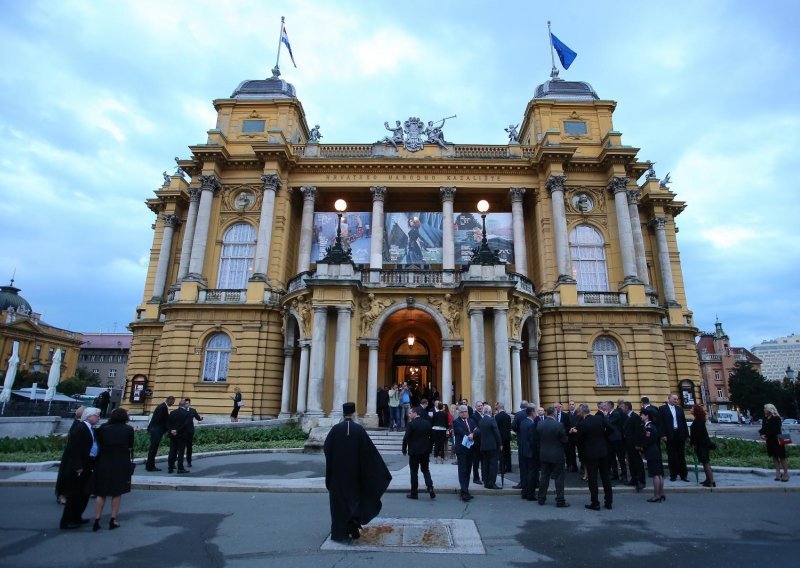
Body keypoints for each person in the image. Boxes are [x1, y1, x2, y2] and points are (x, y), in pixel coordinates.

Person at [324, 402, 392, 543]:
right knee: (353, 502)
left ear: (343, 414)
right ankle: (353, 529)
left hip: (338, 476)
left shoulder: (335, 430)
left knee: (339, 505)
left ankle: (338, 533)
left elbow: (327, 448)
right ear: (354, 414)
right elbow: (369, 452)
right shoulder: (359, 430)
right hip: (354, 476)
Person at [90, 407, 135, 531]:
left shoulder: (103, 428)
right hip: (120, 463)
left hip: (104, 462)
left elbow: (97, 444)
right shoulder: (128, 429)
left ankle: (97, 520)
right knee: (117, 492)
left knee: (101, 493)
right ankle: (113, 519)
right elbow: (130, 445)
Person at [60, 407, 101, 529]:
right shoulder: (80, 428)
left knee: (83, 494)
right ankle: (67, 521)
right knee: (75, 494)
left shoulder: (89, 428)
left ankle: (77, 517)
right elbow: (73, 449)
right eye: (96, 416)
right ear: (88, 416)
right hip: (80, 467)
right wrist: (77, 466)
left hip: (88, 464)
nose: (98, 418)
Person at [572, 403, 612, 511]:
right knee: (605, 477)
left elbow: (578, 440)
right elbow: (611, 428)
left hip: (590, 454)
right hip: (603, 452)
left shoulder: (582, 424)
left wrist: (573, 433)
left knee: (593, 479)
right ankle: (609, 502)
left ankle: (595, 503)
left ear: (581, 412)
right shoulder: (599, 419)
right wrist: (604, 437)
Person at [537, 406, 570, 508]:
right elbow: (564, 440)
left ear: (547, 413)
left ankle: (541, 498)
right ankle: (560, 500)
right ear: (554, 414)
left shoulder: (540, 424)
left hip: (544, 454)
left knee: (544, 477)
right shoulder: (559, 425)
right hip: (557, 455)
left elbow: (538, 438)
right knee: (559, 478)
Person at [402, 406, 436, 500]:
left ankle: (414, 493)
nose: (409, 415)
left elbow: (406, 438)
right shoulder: (427, 423)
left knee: (414, 472)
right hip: (425, 451)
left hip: (414, 451)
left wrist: (404, 449)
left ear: (415, 413)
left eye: (410, 413)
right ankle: (430, 487)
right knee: (425, 470)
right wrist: (429, 448)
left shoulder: (411, 424)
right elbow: (432, 438)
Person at [56, 405, 85, 505]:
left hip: (73, 455)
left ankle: (67, 494)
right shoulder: (79, 425)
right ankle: (62, 495)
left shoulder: (78, 424)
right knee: (68, 475)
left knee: (71, 476)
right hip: (73, 456)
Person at [658, 393, 690, 482]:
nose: (676, 400)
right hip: (669, 435)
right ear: (669, 399)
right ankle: (673, 474)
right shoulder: (662, 409)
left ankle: (683, 475)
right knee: (672, 456)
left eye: (677, 399)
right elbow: (660, 423)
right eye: (674, 399)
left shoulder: (679, 409)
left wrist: (687, 435)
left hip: (679, 434)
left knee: (681, 455)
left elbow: (684, 422)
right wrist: (663, 435)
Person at [640, 407, 665, 502]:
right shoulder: (652, 426)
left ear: (647, 416)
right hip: (655, 451)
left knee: (655, 475)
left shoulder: (649, 427)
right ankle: (661, 493)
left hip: (651, 452)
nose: (641, 416)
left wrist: (641, 447)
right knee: (659, 474)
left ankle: (656, 495)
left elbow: (647, 441)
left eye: (642, 415)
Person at [452, 405, 477, 501]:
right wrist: (469, 434)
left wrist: (473, 434)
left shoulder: (471, 421)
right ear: (459, 413)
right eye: (462, 412)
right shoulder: (456, 421)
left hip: (470, 449)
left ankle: (465, 489)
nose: (464, 413)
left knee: (468, 470)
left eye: (465, 411)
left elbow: (476, 429)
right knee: (462, 470)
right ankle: (464, 492)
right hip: (461, 450)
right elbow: (460, 431)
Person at [759, 403, 790, 482]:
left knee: (782, 457)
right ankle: (778, 473)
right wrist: (761, 434)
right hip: (770, 440)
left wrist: (766, 435)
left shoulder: (777, 418)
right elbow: (763, 428)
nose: (764, 410)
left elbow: (775, 429)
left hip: (778, 439)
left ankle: (786, 474)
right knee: (774, 457)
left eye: (765, 408)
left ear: (769, 409)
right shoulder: (765, 418)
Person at [688, 404, 716, 487]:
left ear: (696, 410)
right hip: (702, 444)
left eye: (692, 408)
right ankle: (708, 479)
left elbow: (697, 435)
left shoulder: (698, 421)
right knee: (705, 463)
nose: (690, 409)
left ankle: (711, 481)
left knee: (706, 462)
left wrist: (692, 442)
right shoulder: (699, 420)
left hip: (701, 445)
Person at [146, 395, 174, 471]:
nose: (172, 404)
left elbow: (154, 418)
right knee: (153, 449)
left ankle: (149, 465)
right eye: (173, 402)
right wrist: (170, 429)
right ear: (169, 400)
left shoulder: (161, 406)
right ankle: (150, 466)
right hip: (157, 430)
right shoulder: (163, 407)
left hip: (154, 429)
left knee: (153, 448)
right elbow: (164, 421)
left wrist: (149, 428)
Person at [622, 401, 646, 491]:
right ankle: (634, 479)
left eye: (623, 407)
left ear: (627, 408)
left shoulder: (635, 417)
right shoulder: (627, 417)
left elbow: (638, 432)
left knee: (638, 463)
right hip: (628, 444)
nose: (622, 408)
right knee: (631, 463)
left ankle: (641, 481)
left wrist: (638, 445)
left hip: (634, 445)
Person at [476, 405, 502, 489]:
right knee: (493, 465)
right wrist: (500, 444)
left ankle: (486, 482)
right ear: (490, 412)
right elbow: (497, 433)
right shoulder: (492, 420)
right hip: (492, 446)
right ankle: (492, 483)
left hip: (483, 446)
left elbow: (479, 433)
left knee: (485, 464)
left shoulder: (481, 421)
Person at [518, 405, 539, 500]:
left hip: (523, 451)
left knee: (525, 473)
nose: (537, 414)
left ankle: (524, 492)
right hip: (531, 453)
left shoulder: (522, 422)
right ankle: (530, 494)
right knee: (531, 474)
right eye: (536, 412)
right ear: (532, 413)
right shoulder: (532, 424)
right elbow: (533, 440)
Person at [167, 399, 192, 474]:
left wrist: (172, 430)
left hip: (173, 435)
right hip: (182, 435)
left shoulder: (172, 412)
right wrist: (177, 431)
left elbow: (168, 423)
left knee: (172, 451)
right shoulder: (187, 413)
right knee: (181, 452)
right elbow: (186, 425)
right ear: (184, 405)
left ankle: (170, 468)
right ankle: (180, 468)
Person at [184, 398, 204, 467]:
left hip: (190, 431)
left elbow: (198, 418)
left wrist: (201, 418)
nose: (186, 404)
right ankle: (176, 461)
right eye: (185, 403)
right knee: (180, 447)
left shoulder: (193, 410)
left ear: (189, 403)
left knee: (189, 447)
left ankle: (189, 461)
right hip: (182, 432)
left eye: (187, 403)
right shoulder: (180, 410)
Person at [495, 402, 512, 474]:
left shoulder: (497, 416)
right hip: (507, 437)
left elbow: (496, 428)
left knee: (501, 453)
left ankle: (502, 468)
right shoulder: (508, 416)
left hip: (500, 437)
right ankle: (508, 467)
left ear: (498, 407)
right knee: (507, 452)